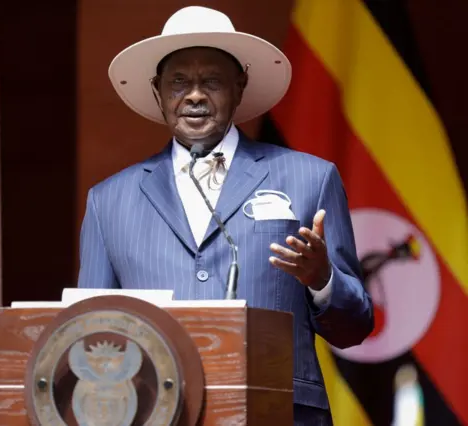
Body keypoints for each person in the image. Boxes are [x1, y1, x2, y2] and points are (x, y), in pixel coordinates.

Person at [77, 6, 373, 425]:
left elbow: (355, 327)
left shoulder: (311, 178)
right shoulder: (108, 201)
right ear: (158, 91)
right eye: (179, 81)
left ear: (239, 88)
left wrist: (322, 280)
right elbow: (91, 338)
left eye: (211, 81)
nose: (194, 95)